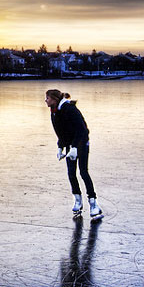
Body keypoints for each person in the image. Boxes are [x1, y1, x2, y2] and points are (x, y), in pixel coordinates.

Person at [45, 89, 103, 220]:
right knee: (71, 173)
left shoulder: (69, 109)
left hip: (81, 143)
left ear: (54, 99)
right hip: (70, 145)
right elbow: (61, 132)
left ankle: (94, 204)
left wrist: (75, 147)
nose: (46, 100)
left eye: (47, 98)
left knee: (83, 172)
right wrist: (60, 147)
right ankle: (78, 200)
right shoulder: (54, 112)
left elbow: (83, 130)